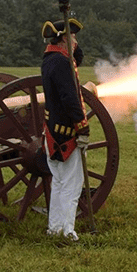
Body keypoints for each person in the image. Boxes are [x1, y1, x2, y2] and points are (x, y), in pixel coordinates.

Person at [40, 18, 89, 241]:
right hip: (66, 131)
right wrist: (82, 127)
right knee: (71, 183)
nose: (76, 40)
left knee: (59, 183)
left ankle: (55, 227)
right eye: (73, 37)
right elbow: (71, 98)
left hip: (52, 131)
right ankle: (67, 230)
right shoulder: (61, 63)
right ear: (63, 38)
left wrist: (74, 48)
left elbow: (77, 60)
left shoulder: (50, 60)